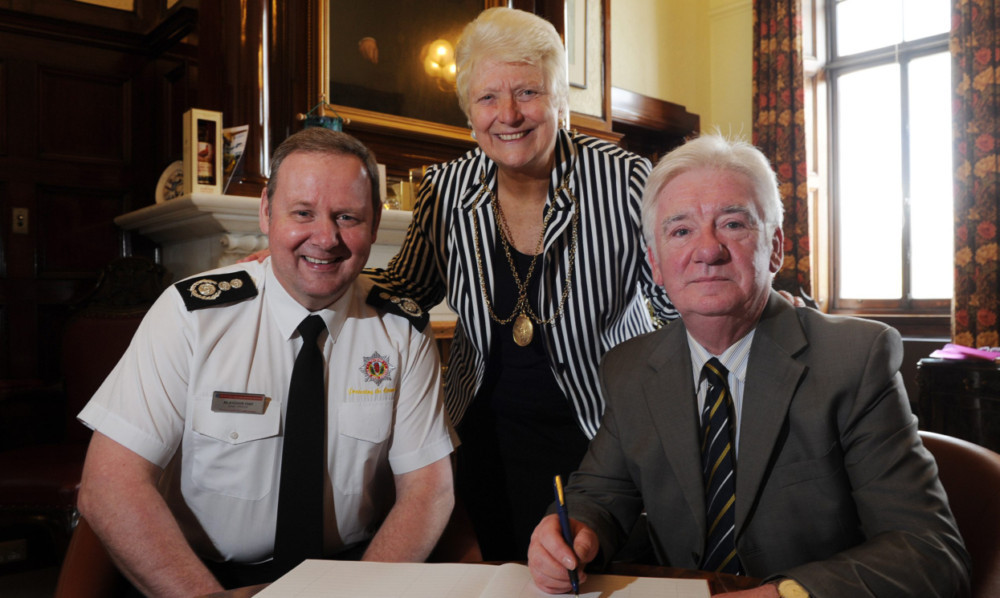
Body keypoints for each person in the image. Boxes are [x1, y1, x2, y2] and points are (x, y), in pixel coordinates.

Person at [527, 134, 971, 597]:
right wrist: (572, 531)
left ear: (775, 248)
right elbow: (598, 495)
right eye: (681, 231)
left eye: (733, 224)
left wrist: (782, 595)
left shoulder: (855, 360)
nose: (707, 250)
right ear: (656, 264)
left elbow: (929, 552)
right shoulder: (630, 368)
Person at [76, 128, 456, 598]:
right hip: (207, 580)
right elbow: (110, 484)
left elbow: (429, 490)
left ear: (375, 225)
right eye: (303, 213)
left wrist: (359, 593)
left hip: (356, 576)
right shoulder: (192, 316)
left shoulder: (402, 330)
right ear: (265, 211)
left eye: (347, 217)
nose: (326, 238)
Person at [369, 7, 678, 560]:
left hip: (601, 438)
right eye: (488, 97)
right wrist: (305, 272)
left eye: (528, 92)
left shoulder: (626, 179)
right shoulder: (447, 188)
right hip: (485, 437)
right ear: (469, 110)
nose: (507, 114)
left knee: (591, 574)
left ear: (560, 101)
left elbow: (672, 298)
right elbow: (405, 288)